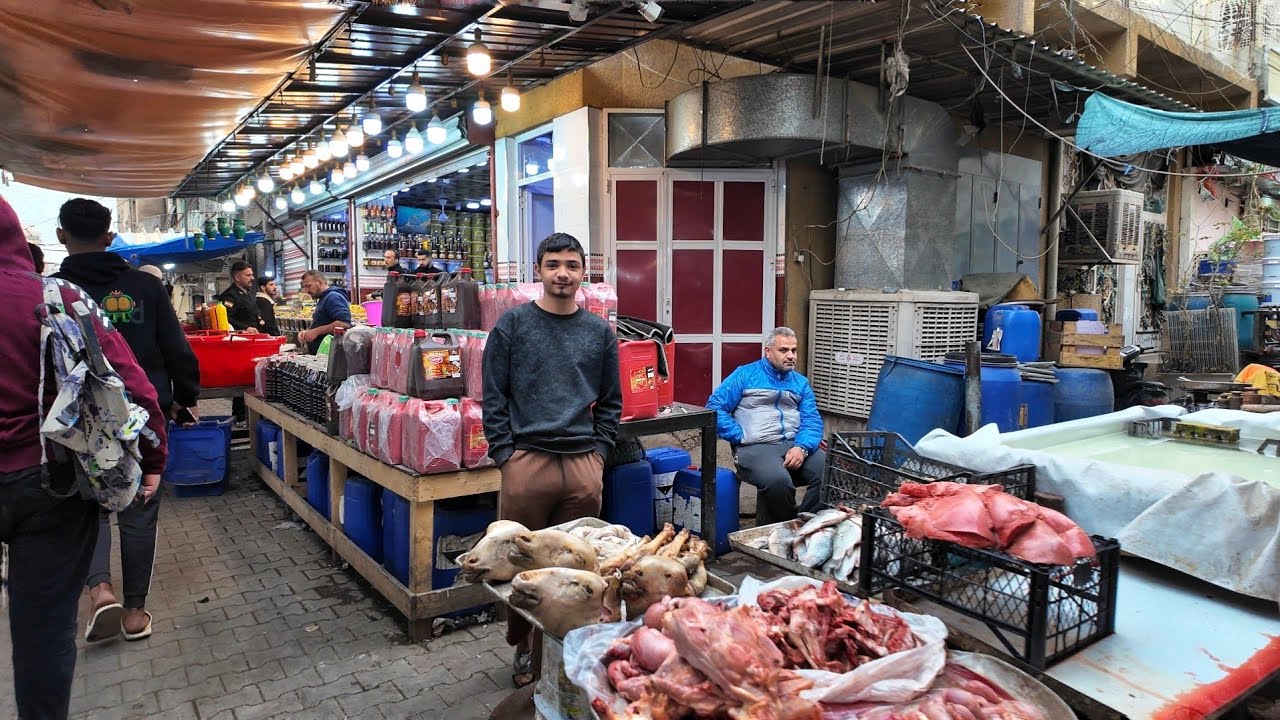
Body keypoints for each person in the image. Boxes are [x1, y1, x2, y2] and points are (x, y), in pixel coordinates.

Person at [0, 195, 167, 718]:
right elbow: (132, 385)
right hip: (47, 480)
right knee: (43, 627)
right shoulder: (60, 299)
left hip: (42, 483)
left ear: (62, 233)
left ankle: (104, 591)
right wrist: (155, 453)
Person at [52, 198, 201, 645]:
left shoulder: (51, 291)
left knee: (89, 508)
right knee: (139, 506)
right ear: (110, 236)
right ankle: (134, 614)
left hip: (76, 419)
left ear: (61, 235)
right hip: (142, 413)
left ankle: (100, 590)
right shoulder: (145, 286)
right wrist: (183, 398)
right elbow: (176, 348)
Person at [482, 232, 622, 688]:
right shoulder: (513, 325)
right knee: (519, 566)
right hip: (528, 462)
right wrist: (506, 455)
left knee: (578, 568)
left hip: (582, 464)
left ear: (584, 272)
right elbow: (493, 396)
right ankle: (523, 647)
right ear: (538, 271)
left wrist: (600, 454)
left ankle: (565, 650)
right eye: (553, 264)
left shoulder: (599, 331)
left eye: (572, 265)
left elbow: (611, 401)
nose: (563, 273)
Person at [707, 327, 826, 526]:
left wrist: (802, 447)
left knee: (830, 472)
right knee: (778, 482)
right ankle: (785, 529)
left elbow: (812, 421)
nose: (790, 356)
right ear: (768, 351)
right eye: (784, 350)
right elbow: (714, 408)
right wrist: (740, 434)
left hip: (794, 444)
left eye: (794, 350)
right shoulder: (745, 375)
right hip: (756, 447)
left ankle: (805, 526)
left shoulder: (800, 383)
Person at [297, 269, 351, 354]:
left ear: (320, 282)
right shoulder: (324, 298)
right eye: (304, 287)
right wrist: (307, 332)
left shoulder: (333, 297)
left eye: (308, 286)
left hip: (329, 354)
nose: (306, 291)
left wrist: (316, 331)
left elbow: (344, 323)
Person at [217, 261, 261, 333]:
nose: (252, 278)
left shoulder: (247, 293)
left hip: (254, 335)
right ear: (237, 278)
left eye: (252, 275)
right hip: (240, 337)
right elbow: (227, 318)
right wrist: (246, 328)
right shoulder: (229, 296)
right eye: (248, 275)